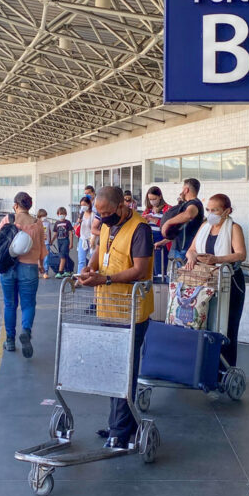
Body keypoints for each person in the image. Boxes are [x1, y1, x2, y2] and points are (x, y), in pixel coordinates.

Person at [76, 186, 154, 448]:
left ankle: (121, 430)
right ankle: (117, 424)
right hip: (109, 306)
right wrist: (90, 267)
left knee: (125, 368)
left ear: (123, 206)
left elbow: (141, 270)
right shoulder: (108, 224)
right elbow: (102, 249)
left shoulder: (140, 229)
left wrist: (106, 279)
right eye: (99, 212)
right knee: (112, 367)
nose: (102, 217)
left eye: (107, 212)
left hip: (132, 310)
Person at [184, 194, 247, 368]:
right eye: (209, 210)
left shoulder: (234, 228)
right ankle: (205, 367)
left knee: (227, 326)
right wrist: (191, 258)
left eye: (215, 210)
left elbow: (241, 254)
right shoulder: (205, 226)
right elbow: (191, 249)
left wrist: (217, 259)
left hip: (229, 282)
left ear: (227, 211)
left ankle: (225, 370)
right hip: (205, 282)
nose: (211, 213)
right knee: (205, 323)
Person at [0, 192, 47, 358]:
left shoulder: (8, 220)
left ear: (16, 205)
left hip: (8, 268)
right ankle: (26, 331)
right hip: (29, 268)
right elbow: (41, 251)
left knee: (10, 304)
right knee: (28, 304)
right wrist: (40, 267)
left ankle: (10, 340)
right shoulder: (37, 224)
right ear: (29, 206)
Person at [160, 178, 204, 264]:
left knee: (179, 276)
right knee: (171, 276)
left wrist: (168, 223)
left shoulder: (194, 204)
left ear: (186, 190)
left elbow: (188, 215)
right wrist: (164, 241)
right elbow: (181, 229)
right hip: (177, 248)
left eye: (182, 188)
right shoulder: (187, 204)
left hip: (184, 250)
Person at [143, 186, 171, 280]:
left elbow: (169, 227)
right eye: (150, 199)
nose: (152, 201)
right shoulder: (148, 210)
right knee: (150, 269)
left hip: (161, 239)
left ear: (160, 196)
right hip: (149, 239)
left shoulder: (167, 209)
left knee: (160, 269)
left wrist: (154, 220)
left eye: (154, 199)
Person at [52, 207, 74, 278]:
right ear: (58, 214)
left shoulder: (67, 222)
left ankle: (60, 272)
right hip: (59, 241)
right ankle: (68, 270)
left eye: (63, 214)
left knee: (62, 256)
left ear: (66, 214)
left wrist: (71, 243)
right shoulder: (57, 223)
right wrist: (51, 241)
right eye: (61, 214)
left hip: (65, 240)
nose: (62, 215)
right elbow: (55, 234)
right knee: (65, 255)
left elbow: (71, 233)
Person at [76, 196, 95, 273]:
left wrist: (93, 239)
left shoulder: (93, 214)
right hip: (82, 238)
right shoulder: (81, 214)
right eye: (81, 205)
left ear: (89, 204)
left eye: (85, 205)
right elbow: (76, 226)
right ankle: (79, 278)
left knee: (92, 260)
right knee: (81, 260)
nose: (83, 207)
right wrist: (78, 221)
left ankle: (93, 276)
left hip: (91, 238)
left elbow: (94, 227)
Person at [37, 209, 53, 279]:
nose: (44, 217)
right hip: (38, 243)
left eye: (45, 216)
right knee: (37, 257)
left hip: (46, 242)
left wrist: (50, 240)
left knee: (46, 258)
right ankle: (37, 271)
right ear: (39, 216)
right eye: (43, 216)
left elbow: (49, 231)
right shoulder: (37, 223)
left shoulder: (48, 223)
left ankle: (46, 272)